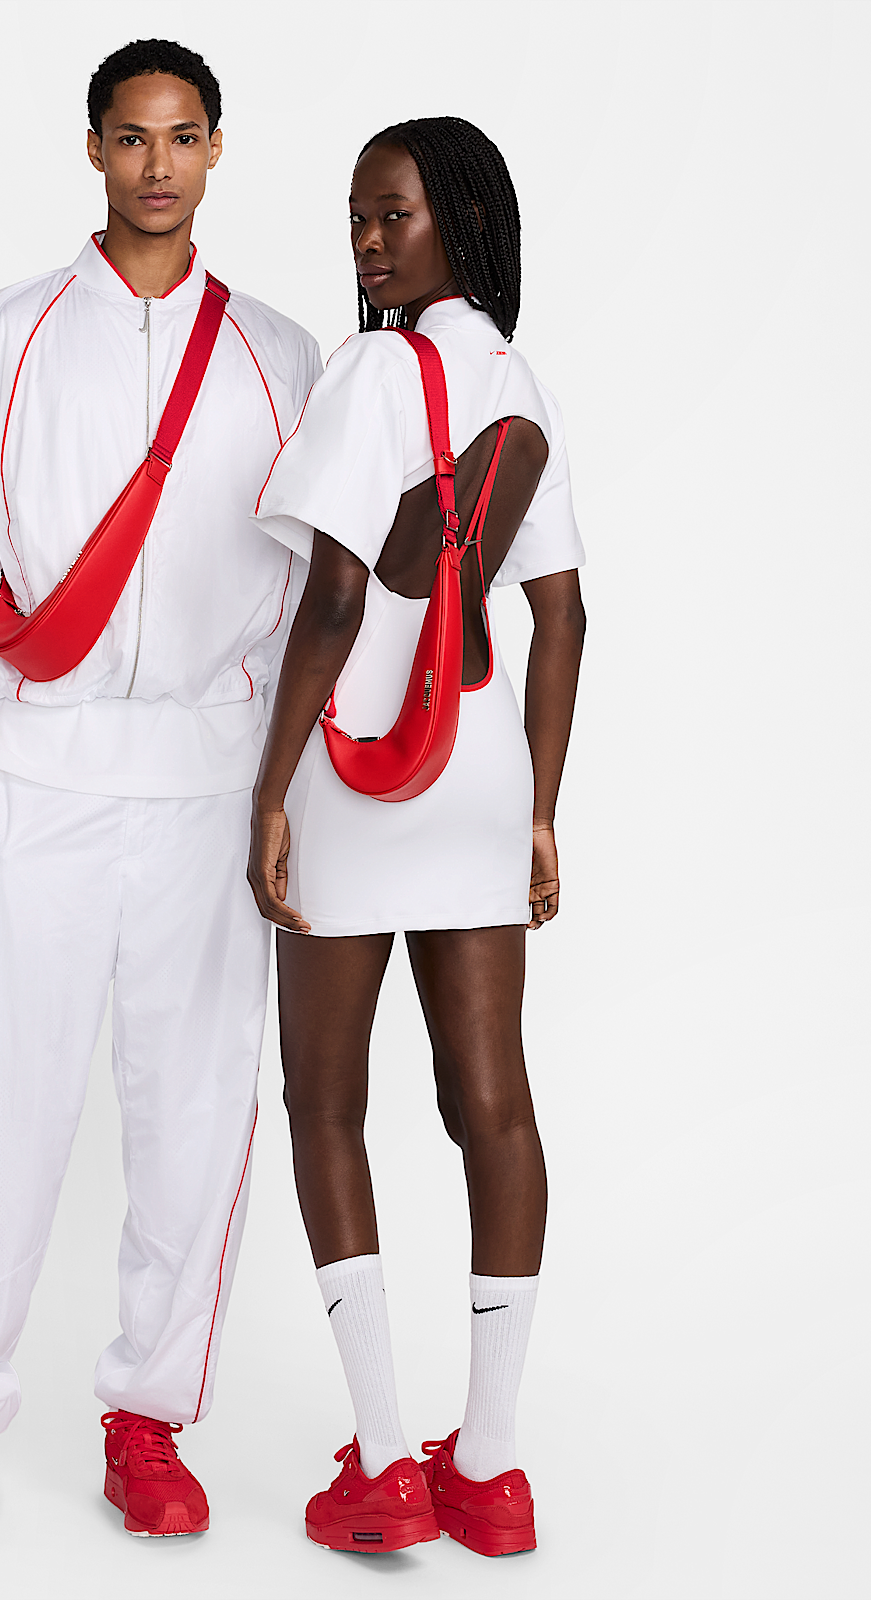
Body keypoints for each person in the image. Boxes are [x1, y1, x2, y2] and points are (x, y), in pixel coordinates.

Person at [0, 38, 321, 1547]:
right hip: (41, 770)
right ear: (92, 148)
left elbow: (310, 598)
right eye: (132, 136)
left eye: (183, 136)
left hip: (207, 784)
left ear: (216, 149)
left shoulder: (280, 355)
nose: (157, 165)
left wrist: (278, 790)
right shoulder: (2, 336)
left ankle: (150, 1418)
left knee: (195, 1106)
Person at [249, 116, 586, 1557]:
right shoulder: (520, 383)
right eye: (357, 218)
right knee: (492, 1103)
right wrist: (540, 805)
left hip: (360, 766)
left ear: (460, 217)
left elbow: (335, 598)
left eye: (394, 213)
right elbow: (562, 615)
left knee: (327, 1105)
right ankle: (491, 1470)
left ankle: (386, 1461)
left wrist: (269, 791)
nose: (369, 241)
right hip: (481, 768)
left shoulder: (374, 371)